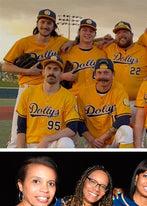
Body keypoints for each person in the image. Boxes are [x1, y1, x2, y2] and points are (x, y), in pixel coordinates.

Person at [2, 9, 69, 148]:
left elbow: (82, 41)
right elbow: (6, 67)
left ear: (54, 26)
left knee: (46, 132)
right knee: (17, 134)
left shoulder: (59, 41)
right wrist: (27, 71)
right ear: (37, 23)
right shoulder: (23, 42)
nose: (45, 26)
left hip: (49, 91)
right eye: (43, 22)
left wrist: (72, 42)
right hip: (28, 89)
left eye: (49, 23)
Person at [16, 55, 80, 148]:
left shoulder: (68, 96)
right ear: (43, 72)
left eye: (55, 69)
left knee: (66, 142)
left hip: (56, 142)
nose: (51, 72)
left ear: (61, 73)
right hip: (33, 145)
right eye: (48, 68)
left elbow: (72, 128)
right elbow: (21, 128)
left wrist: (47, 139)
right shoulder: (28, 93)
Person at [77, 58, 133, 148]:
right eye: (99, 72)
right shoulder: (84, 93)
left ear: (113, 74)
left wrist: (102, 138)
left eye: (106, 73)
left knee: (126, 130)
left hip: (112, 139)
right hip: (93, 141)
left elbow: (124, 119)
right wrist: (92, 140)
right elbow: (79, 122)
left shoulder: (119, 89)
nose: (102, 76)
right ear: (95, 74)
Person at [103, 21, 147, 124]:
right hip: (114, 102)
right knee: (114, 136)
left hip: (137, 102)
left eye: (124, 31)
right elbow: (86, 41)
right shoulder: (109, 48)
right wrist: (103, 39)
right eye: (118, 33)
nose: (121, 35)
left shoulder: (143, 50)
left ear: (132, 34)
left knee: (137, 138)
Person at [60, 18, 107, 96]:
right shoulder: (68, 51)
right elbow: (55, 75)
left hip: (95, 95)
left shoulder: (102, 52)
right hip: (73, 95)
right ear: (79, 32)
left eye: (91, 31)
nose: (88, 33)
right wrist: (63, 77)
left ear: (95, 34)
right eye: (85, 30)